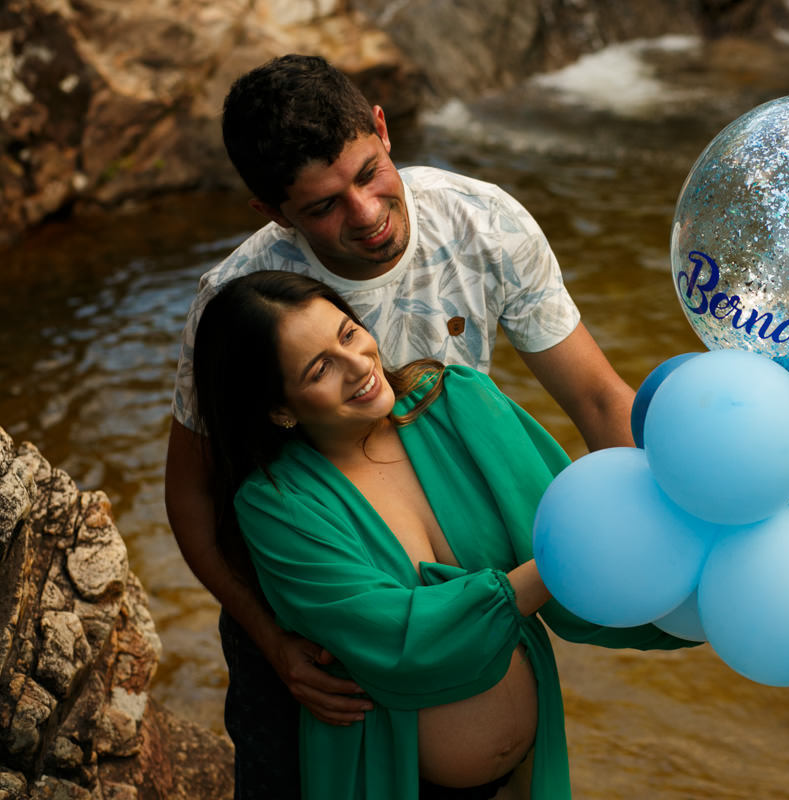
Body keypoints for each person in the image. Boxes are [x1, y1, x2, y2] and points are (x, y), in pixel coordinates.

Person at [164, 54, 639, 797]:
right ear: (274, 211)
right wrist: (274, 643)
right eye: (322, 205)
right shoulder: (234, 305)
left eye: (370, 172)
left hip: (449, 539)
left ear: (383, 129)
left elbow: (602, 402)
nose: (365, 213)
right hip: (314, 600)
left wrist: (658, 539)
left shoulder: (482, 222)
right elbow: (192, 498)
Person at [191, 270, 693, 798]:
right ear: (279, 409)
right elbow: (397, 638)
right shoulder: (277, 505)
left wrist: (683, 605)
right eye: (320, 369)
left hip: (523, 774)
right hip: (388, 777)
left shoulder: (458, 403)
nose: (358, 364)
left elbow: (569, 559)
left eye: (348, 334)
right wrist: (554, 564)